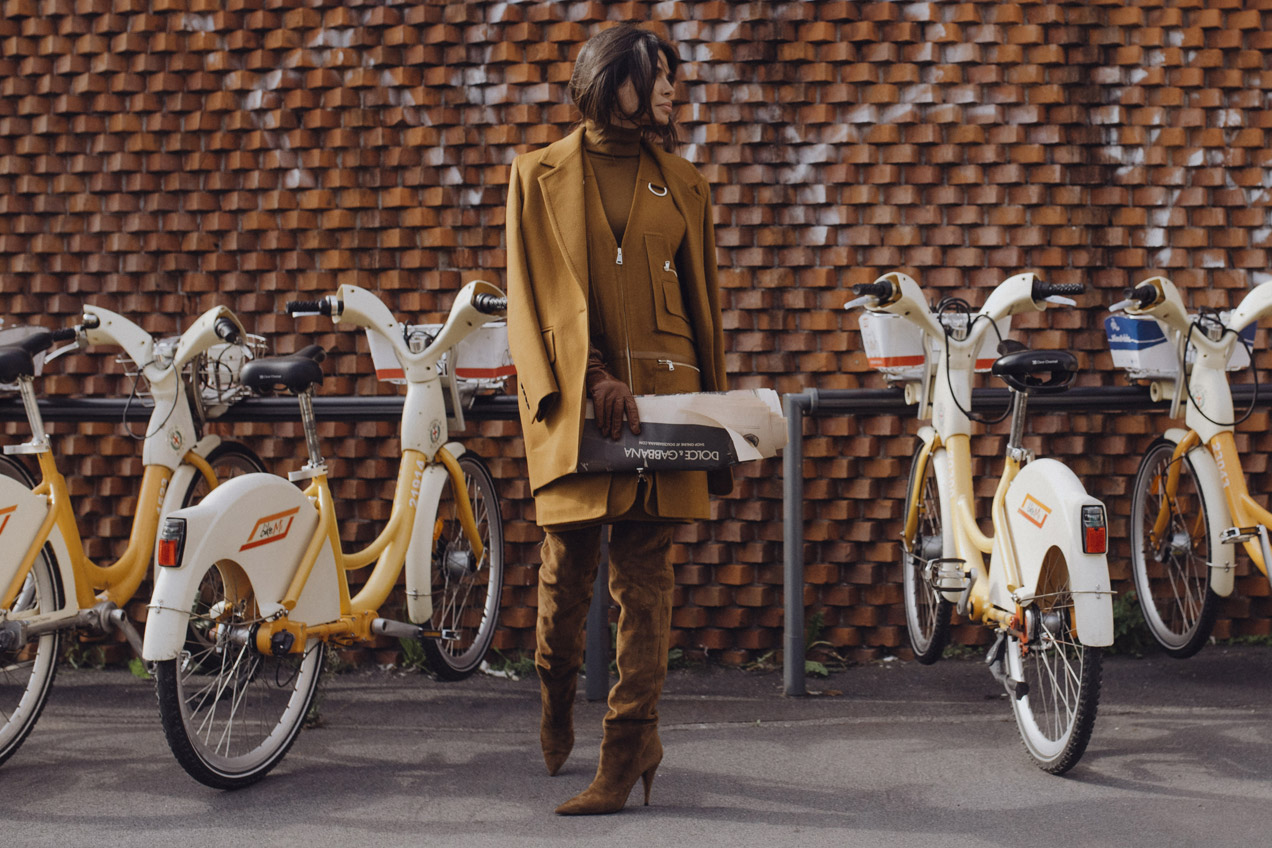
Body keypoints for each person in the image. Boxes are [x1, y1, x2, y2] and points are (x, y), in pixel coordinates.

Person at [504, 23, 730, 815]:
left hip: (662, 409)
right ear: (612, 80)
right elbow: (531, 303)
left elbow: (705, 310)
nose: (671, 88)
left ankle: (630, 745)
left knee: (645, 580)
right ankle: (554, 697)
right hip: (576, 406)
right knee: (565, 575)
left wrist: (715, 421)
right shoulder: (536, 176)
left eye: (673, 75)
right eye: (657, 74)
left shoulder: (687, 183)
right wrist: (589, 376)